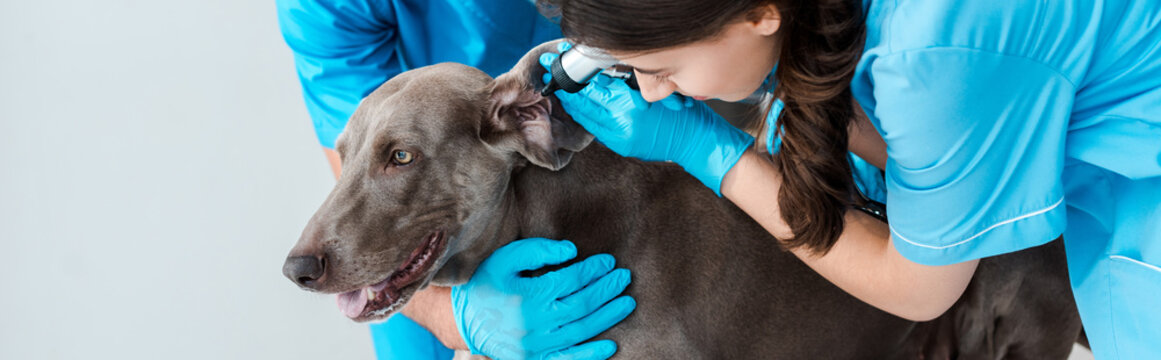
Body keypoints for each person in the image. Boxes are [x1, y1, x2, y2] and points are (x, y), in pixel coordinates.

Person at [527, 0, 1159, 358]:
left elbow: (919, 288)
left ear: (759, 14)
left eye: (661, 68)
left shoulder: (931, 49)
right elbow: (951, 158)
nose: (651, 90)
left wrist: (706, 150)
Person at [276, 1, 635, 359]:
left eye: (398, 156)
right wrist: (456, 321)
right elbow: (360, 166)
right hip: (426, 270)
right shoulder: (320, 6)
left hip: (607, 188)